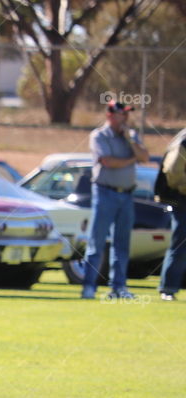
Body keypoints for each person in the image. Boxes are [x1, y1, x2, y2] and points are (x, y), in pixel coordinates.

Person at [80, 99, 149, 300]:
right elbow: (108, 162)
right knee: (97, 242)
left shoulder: (131, 135)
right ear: (110, 114)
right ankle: (89, 287)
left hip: (127, 194)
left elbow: (144, 156)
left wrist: (130, 141)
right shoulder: (99, 136)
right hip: (105, 192)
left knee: (122, 243)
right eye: (122, 114)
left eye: (127, 114)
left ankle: (118, 287)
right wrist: (131, 160)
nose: (126, 117)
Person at [154, 127, 186, 301]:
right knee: (179, 246)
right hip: (180, 201)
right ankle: (168, 288)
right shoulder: (184, 141)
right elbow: (173, 174)